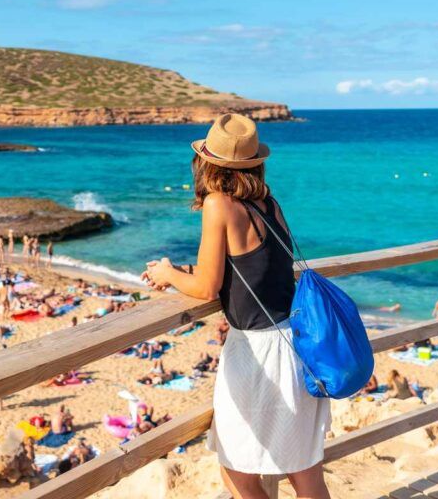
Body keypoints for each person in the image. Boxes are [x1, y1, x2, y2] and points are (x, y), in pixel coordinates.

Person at [141, 114, 330, 498]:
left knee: (237, 470)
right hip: (295, 342)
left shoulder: (219, 205)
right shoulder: (268, 203)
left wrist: (168, 273)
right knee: (304, 472)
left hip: (258, 353)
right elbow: (252, 266)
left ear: (207, 163)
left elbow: (208, 287)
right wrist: (186, 270)